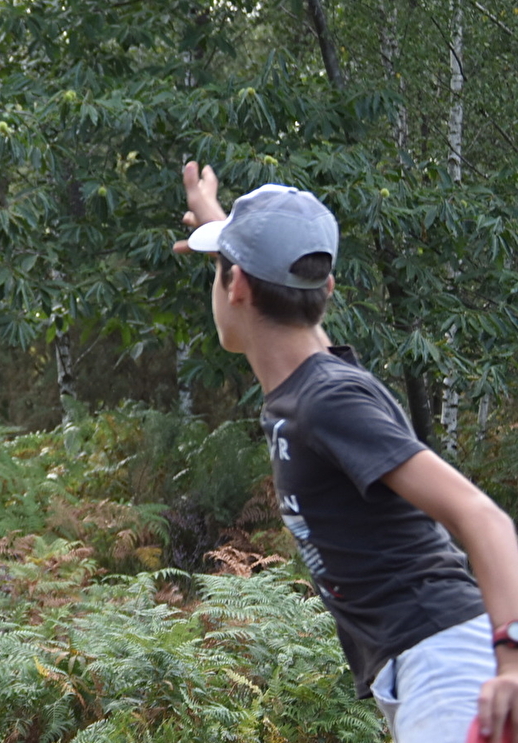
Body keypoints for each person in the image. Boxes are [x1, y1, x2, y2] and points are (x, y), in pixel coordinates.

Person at [174, 162, 518, 742]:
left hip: (446, 661)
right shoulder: (320, 377)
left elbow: (481, 515)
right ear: (326, 289)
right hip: (423, 664)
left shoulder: (328, 399)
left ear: (237, 288)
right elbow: (268, 292)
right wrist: (223, 231)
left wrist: (512, 659)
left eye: (224, 272)